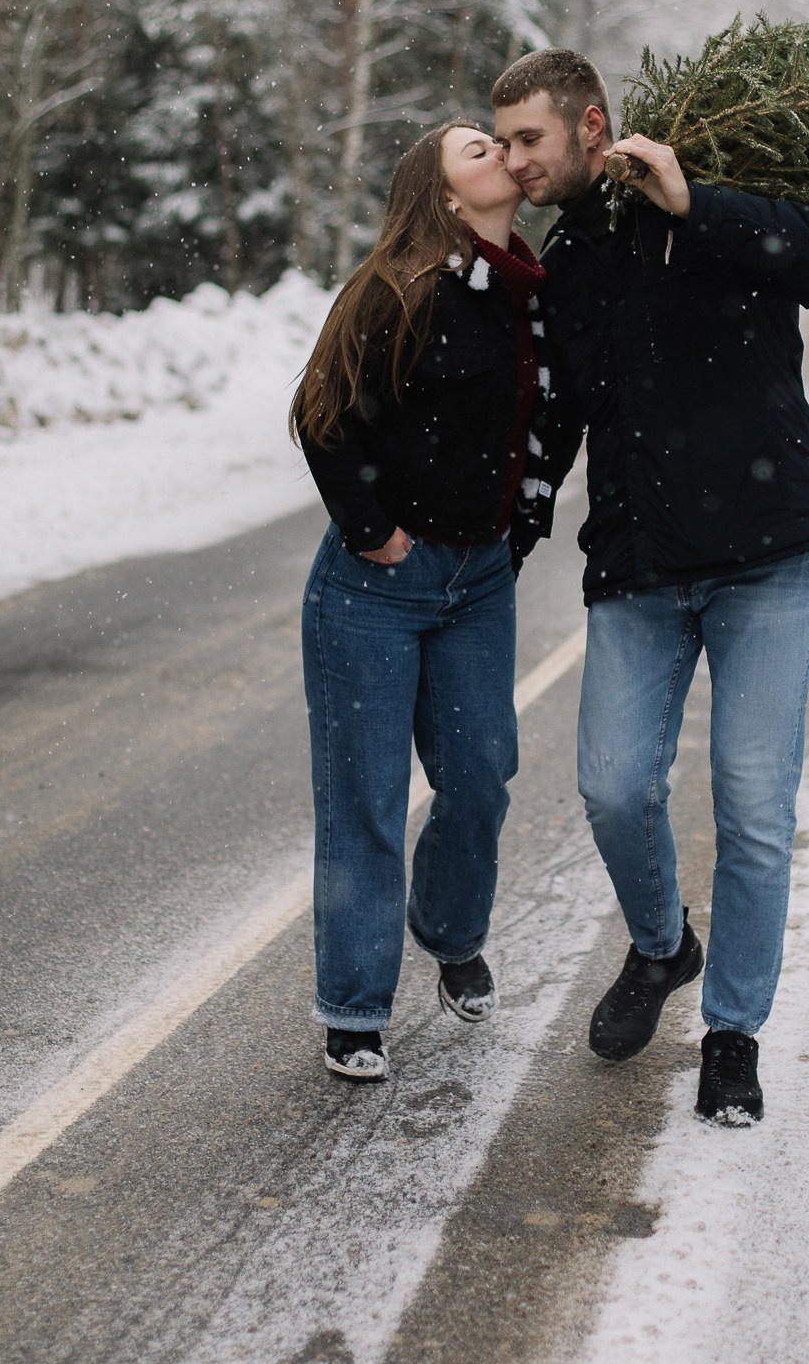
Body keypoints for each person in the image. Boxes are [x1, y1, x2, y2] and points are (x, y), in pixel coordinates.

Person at [493, 48, 809, 1124]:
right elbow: (559, 416)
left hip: (768, 561)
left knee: (753, 807)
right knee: (612, 788)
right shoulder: (570, 258)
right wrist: (509, 528)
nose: (515, 160)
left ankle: (735, 1034)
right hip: (641, 566)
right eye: (503, 142)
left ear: (590, 127)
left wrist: (698, 199)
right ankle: (663, 949)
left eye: (529, 139)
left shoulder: (705, 202)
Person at [292, 119, 551, 1081]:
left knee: (482, 771)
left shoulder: (527, 291)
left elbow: (543, 419)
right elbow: (320, 414)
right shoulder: (396, 293)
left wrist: (519, 524)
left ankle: (449, 929)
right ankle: (355, 1010)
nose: (501, 157)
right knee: (365, 801)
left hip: (477, 579)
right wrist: (370, 528)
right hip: (374, 585)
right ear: (442, 198)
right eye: (477, 151)